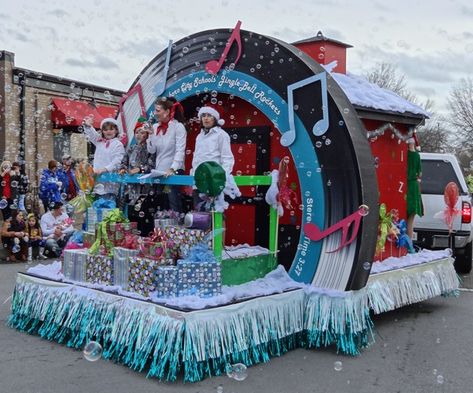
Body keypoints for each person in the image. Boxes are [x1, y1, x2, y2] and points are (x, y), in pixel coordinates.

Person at [146, 97, 187, 213]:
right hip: (159, 172)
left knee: (174, 205)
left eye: (158, 110)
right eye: (155, 110)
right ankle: (160, 231)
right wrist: (151, 135)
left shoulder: (178, 127)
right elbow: (152, 150)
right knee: (161, 207)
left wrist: (172, 169)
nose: (155, 113)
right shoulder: (154, 127)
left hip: (174, 170)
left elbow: (180, 151)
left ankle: (177, 229)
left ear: (167, 111)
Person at [191, 104, 235, 209]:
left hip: (213, 182)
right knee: (200, 217)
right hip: (198, 181)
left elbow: (228, 158)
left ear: (215, 118)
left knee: (215, 214)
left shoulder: (221, 135)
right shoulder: (199, 136)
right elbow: (196, 159)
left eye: (209, 115)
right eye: (203, 115)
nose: (206, 118)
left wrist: (220, 178)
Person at [83, 117, 125, 200]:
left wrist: (104, 169)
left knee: (107, 209)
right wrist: (88, 126)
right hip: (96, 181)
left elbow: (117, 161)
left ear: (116, 130)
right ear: (102, 131)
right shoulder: (99, 141)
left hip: (109, 183)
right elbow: (92, 134)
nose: (108, 131)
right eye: (105, 129)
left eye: (111, 129)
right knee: (95, 210)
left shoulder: (118, 144)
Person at [406, 136, 424, 240]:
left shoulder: (405, 154)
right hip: (413, 186)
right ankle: (409, 243)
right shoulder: (417, 156)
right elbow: (420, 173)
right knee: (411, 217)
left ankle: (405, 241)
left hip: (405, 186)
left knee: (405, 214)